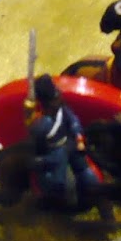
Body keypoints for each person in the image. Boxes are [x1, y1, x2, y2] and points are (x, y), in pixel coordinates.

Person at [27, 74, 103, 210]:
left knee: (85, 169)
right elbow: (36, 148)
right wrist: (42, 160)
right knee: (61, 182)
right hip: (53, 153)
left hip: (69, 143)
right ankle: (67, 202)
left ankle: (92, 186)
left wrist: (78, 137)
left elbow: (73, 121)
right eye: (53, 100)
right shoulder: (40, 124)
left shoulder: (62, 110)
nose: (58, 101)